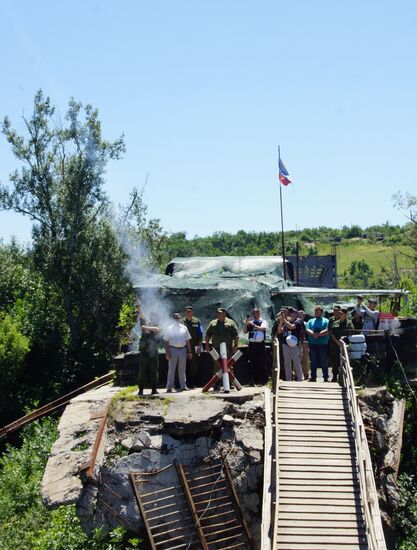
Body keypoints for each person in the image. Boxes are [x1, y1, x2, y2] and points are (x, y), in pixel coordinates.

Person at [163, 313, 193, 393]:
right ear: (173, 319)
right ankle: (169, 387)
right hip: (172, 349)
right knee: (171, 369)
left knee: (182, 369)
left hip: (183, 350)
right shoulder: (169, 328)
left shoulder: (184, 328)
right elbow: (166, 341)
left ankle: (183, 386)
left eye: (178, 318)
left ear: (180, 318)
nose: (176, 319)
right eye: (175, 318)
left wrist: (189, 352)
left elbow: (188, 341)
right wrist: (167, 352)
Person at [205, 308, 239, 372]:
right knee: (216, 365)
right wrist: (207, 345)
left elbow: (236, 336)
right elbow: (207, 335)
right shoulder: (213, 323)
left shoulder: (231, 322)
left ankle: (229, 381)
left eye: (220, 313)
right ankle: (217, 381)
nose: (218, 314)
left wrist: (235, 346)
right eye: (217, 313)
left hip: (227, 349)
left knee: (228, 365)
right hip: (216, 349)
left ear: (224, 314)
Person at [138, 311, 162, 396]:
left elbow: (156, 330)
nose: (153, 317)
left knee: (154, 371)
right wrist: (139, 307)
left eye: (154, 316)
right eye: (151, 316)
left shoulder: (158, 325)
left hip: (153, 353)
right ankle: (140, 390)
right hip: (144, 352)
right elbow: (141, 317)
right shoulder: (146, 323)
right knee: (142, 372)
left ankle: (154, 390)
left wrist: (146, 328)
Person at [277, 307, 303, 381]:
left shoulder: (298, 321)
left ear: (296, 314)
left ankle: (299, 378)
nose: (291, 314)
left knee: (296, 362)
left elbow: (291, 327)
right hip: (285, 344)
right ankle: (288, 379)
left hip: (294, 345)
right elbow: (279, 331)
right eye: (291, 312)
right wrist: (281, 322)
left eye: (293, 312)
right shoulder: (286, 322)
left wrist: (284, 320)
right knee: (287, 363)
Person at [243, 308, 268, 385]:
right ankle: (254, 380)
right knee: (252, 362)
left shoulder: (263, 321)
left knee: (261, 361)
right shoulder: (251, 322)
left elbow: (263, 328)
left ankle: (263, 380)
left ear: (259, 313)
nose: (255, 314)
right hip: (252, 344)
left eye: (256, 312)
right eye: (253, 313)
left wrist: (253, 325)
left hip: (260, 344)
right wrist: (246, 324)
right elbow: (245, 332)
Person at [305, 305, 330, 382]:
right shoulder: (310, 321)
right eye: (315, 312)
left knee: (323, 361)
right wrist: (313, 334)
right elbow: (307, 329)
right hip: (313, 344)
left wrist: (319, 334)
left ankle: (326, 377)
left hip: (323, 344)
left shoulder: (326, 321)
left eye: (318, 312)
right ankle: (313, 377)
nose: (316, 313)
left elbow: (328, 329)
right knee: (313, 361)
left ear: (321, 313)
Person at [329, 307, 353, 382]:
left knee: (344, 360)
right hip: (335, 345)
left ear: (345, 314)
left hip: (345, 345)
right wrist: (337, 341)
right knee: (335, 360)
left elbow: (351, 333)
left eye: (341, 314)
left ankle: (343, 377)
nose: (340, 315)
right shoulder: (335, 323)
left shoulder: (349, 323)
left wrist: (344, 342)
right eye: (339, 313)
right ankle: (334, 376)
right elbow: (331, 333)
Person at [181, 306, 203, 388]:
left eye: (190, 311)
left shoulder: (197, 321)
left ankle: (192, 382)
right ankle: (182, 382)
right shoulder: (182, 322)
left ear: (192, 312)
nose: (188, 313)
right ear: (185, 312)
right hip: (183, 346)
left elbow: (200, 334)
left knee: (193, 364)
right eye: (187, 311)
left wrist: (200, 346)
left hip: (194, 346)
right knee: (183, 364)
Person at [298, 310, 309, 380]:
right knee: (298, 359)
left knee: (305, 359)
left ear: (304, 316)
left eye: (301, 315)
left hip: (305, 342)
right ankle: (298, 375)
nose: (299, 316)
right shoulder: (295, 323)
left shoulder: (307, 323)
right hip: (297, 342)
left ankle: (306, 374)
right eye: (298, 314)